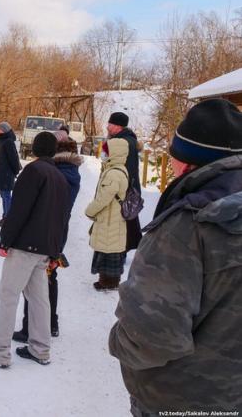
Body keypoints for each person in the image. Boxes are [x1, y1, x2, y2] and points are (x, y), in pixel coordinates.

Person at [109, 99, 242, 416]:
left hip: (185, 399)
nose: (172, 165)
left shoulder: (190, 225)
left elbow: (153, 336)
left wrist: (118, 340)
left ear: (191, 163)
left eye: (176, 158)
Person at [0, 132, 70, 369]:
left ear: (34, 149)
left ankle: (0, 352)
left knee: (8, 296)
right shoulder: (59, 177)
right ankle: (40, 349)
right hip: (43, 249)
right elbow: (63, 218)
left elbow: (19, 209)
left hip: (24, 246)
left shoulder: (33, 171)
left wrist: (5, 240)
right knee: (39, 299)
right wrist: (55, 250)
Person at [15, 130, 81, 340]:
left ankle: (32, 328)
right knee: (47, 277)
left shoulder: (58, 174)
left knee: (37, 280)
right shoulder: (69, 172)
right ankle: (50, 323)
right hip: (58, 229)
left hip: (48, 231)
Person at [85, 138, 129, 290]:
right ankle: (108, 281)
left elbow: (103, 198)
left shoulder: (113, 174)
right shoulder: (119, 169)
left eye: (106, 151)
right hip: (113, 218)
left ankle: (108, 282)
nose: (103, 153)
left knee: (108, 251)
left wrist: (90, 211)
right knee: (110, 249)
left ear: (114, 153)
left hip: (110, 218)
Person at [107, 112, 143, 253]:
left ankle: (121, 250)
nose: (107, 127)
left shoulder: (123, 142)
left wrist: (117, 186)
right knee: (128, 219)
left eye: (110, 124)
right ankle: (124, 247)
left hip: (125, 187)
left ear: (117, 126)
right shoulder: (127, 140)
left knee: (123, 220)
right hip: (128, 186)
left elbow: (124, 166)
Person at [0, 121, 21, 227]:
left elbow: (14, 159)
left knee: (6, 196)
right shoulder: (2, 141)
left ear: (3, 130)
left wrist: (15, 171)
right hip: (2, 174)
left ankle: (8, 218)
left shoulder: (8, 142)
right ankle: (6, 216)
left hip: (6, 174)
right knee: (4, 196)